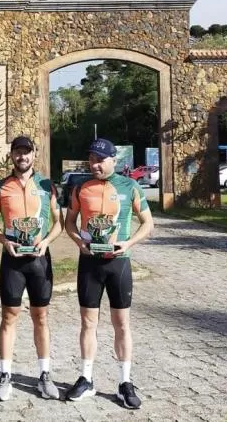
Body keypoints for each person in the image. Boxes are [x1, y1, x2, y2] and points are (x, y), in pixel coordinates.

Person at [63, 138, 154, 409]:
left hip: (119, 263)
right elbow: (69, 222)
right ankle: (86, 378)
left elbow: (148, 223)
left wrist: (128, 243)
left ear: (114, 160)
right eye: (92, 158)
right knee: (88, 323)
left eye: (100, 159)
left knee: (121, 324)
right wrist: (80, 243)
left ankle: (125, 382)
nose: (95, 164)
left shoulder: (130, 186)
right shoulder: (80, 187)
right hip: (90, 263)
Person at [0, 135, 63, 401]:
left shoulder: (46, 185)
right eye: (18, 152)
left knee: (41, 317)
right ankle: (5, 375)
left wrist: (47, 242)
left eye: (27, 152)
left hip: (39, 259)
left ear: (34, 154)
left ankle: (44, 374)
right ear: (11, 156)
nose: (23, 157)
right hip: (12, 260)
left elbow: (58, 222)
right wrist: (3, 240)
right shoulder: (1, 187)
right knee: (9, 316)